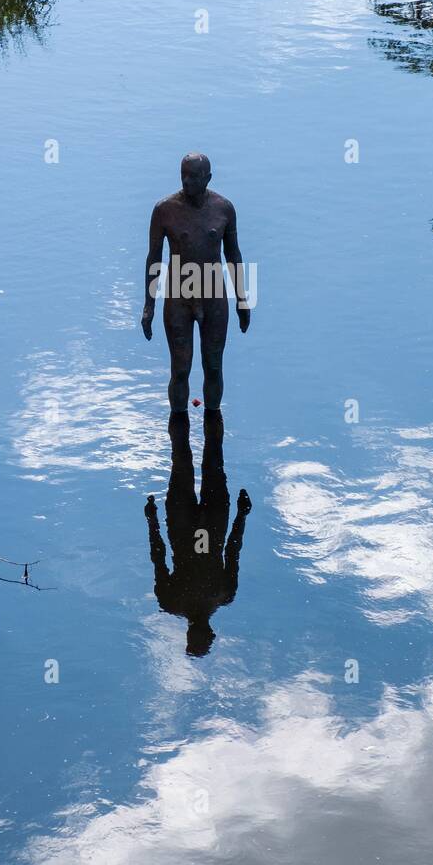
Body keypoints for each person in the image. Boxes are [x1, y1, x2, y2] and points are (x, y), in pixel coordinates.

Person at [141, 153, 250, 412]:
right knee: (180, 368)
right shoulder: (164, 211)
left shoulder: (223, 209)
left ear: (208, 178)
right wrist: (149, 305)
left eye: (193, 177)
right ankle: (178, 427)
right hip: (179, 296)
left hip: (214, 295)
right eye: (183, 176)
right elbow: (154, 259)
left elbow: (233, 255)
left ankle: (213, 424)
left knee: (213, 366)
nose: (186, 182)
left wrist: (242, 300)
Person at [145, 411, 251, 657]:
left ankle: (188, 403)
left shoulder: (177, 601)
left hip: (195, 525)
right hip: (201, 525)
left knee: (193, 457)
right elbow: (232, 550)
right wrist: (241, 516)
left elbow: (158, 557)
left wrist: (152, 521)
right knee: (202, 456)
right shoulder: (216, 595)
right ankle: (203, 403)